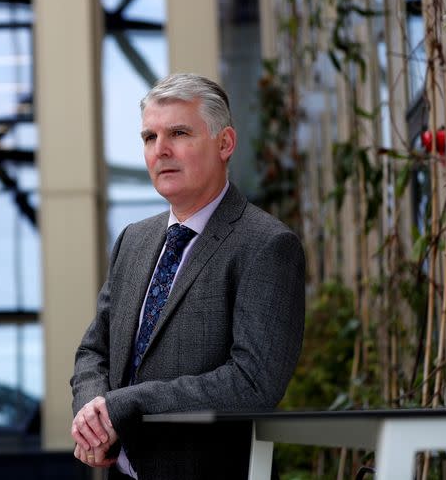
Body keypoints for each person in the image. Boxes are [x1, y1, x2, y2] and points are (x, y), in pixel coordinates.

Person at [69, 73, 305, 479]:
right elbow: (94, 351)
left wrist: (124, 406)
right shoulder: (133, 241)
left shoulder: (267, 246)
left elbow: (252, 383)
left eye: (178, 133)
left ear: (225, 143)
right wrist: (94, 418)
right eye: (149, 137)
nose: (161, 151)